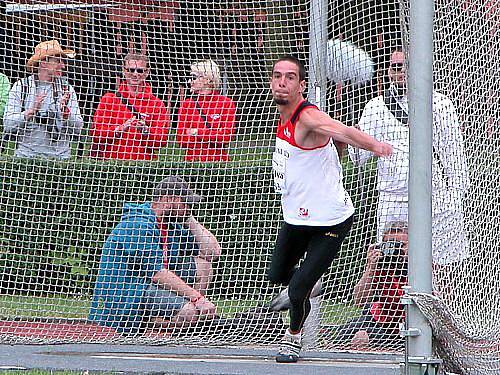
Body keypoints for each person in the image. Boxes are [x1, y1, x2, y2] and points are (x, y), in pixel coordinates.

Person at [267, 55, 392, 363]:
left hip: (331, 221)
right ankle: (308, 283)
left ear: (302, 85)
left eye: (290, 77)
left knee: (296, 292)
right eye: (277, 76)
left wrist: (376, 146)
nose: (282, 82)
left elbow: (343, 131)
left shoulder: (307, 116)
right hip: (297, 218)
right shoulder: (280, 117)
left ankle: (293, 338)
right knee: (278, 274)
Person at [348, 49, 470, 266]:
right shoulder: (376, 107)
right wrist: (354, 136)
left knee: (442, 265)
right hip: (393, 200)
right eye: (396, 67)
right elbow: (358, 158)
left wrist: (455, 198)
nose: (401, 72)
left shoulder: (441, 104)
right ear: (388, 72)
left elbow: (455, 156)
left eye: (406, 66)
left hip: (437, 196)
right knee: (390, 265)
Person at [89, 176, 221, 335]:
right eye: (185, 203)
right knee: (190, 313)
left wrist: (189, 218)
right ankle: (140, 323)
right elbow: (157, 274)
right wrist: (198, 299)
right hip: (129, 290)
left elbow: (212, 252)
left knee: (203, 266)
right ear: (169, 199)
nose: (189, 207)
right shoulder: (138, 224)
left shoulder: (170, 225)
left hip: (148, 284)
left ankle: (188, 324)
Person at [2, 40, 84, 159]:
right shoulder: (21, 87)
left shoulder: (67, 89)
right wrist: (30, 112)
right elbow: (8, 125)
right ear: (44, 63)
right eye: (58, 61)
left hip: (60, 160)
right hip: (25, 160)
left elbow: (79, 128)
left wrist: (66, 114)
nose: (63, 65)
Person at [333, 221, 408, 350]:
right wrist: (370, 267)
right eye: (391, 244)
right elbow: (359, 300)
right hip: (381, 319)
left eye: (401, 245)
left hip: (408, 324)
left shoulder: (422, 269)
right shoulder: (380, 265)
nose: (396, 250)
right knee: (349, 334)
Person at [90, 53, 171, 160]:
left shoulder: (156, 104)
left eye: (140, 70)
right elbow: (95, 134)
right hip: (110, 164)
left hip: (143, 165)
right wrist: (120, 128)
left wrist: (145, 131)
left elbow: (162, 141)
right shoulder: (109, 99)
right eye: (131, 70)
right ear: (124, 71)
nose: (135, 74)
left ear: (147, 72)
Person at [176, 59, 236, 162]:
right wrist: (214, 134)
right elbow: (181, 139)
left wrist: (196, 132)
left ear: (208, 79)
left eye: (193, 77)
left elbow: (226, 136)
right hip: (192, 162)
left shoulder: (226, 103)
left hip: (218, 162)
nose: (190, 81)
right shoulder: (186, 104)